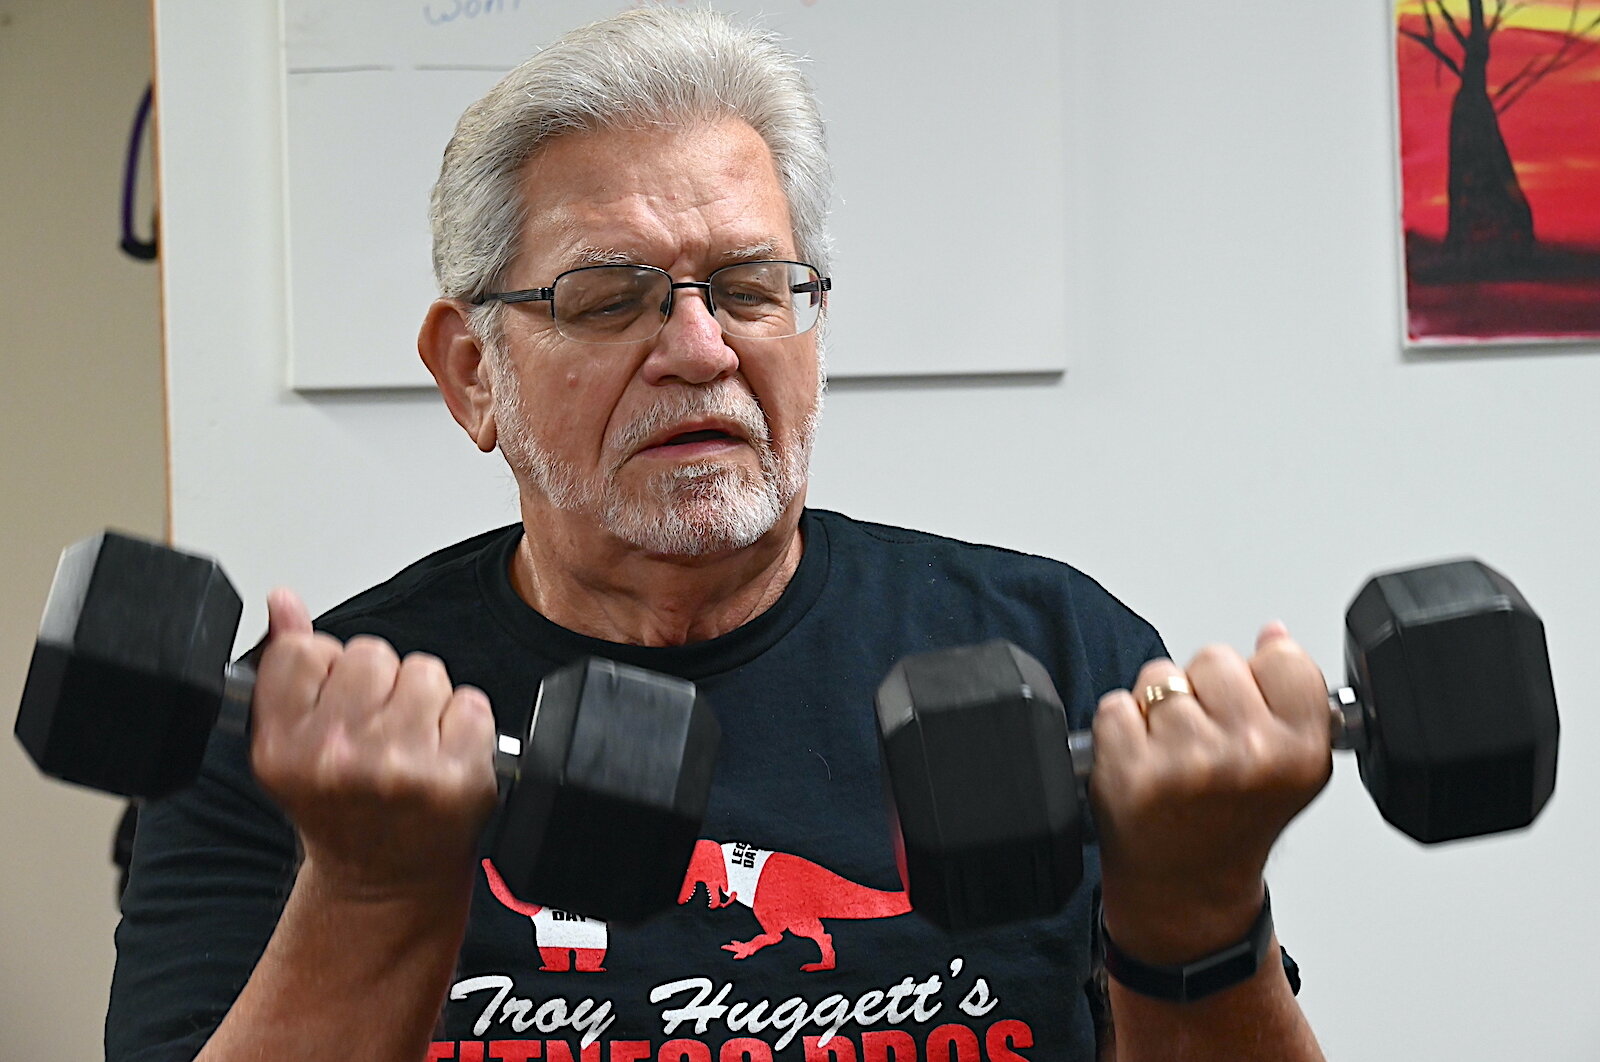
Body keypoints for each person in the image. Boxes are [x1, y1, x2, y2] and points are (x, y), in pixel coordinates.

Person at [107, 9, 1332, 1061]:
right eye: (607, 297)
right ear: (474, 374)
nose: (701, 349)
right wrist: (370, 891)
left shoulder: (1059, 655)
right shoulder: (297, 739)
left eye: (751, 288)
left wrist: (1199, 913)